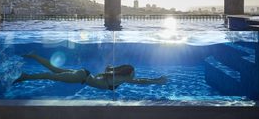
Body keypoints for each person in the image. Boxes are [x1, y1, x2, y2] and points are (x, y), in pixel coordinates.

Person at [14, 53, 167, 90]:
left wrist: (109, 67)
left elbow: (106, 70)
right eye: (133, 72)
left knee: (53, 70)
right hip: (82, 77)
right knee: (50, 75)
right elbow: (141, 81)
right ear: (128, 73)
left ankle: (33, 55)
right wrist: (157, 81)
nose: (135, 75)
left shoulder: (115, 75)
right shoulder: (123, 79)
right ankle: (24, 76)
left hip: (83, 74)